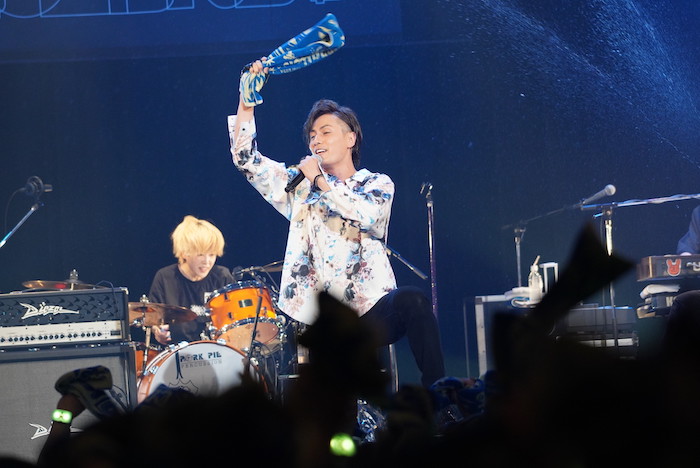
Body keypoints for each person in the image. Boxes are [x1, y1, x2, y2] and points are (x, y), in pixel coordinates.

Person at [227, 59, 445, 387]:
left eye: (326, 132)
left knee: (413, 300)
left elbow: (363, 215)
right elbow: (247, 160)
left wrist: (320, 182)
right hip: (321, 318)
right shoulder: (299, 187)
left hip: (371, 309)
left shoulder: (376, 184)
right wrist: (246, 103)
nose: (316, 140)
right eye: (312, 135)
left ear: (350, 138)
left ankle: (439, 394)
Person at [140, 215, 235, 345]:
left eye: (212, 255)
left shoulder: (222, 276)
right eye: (200, 255)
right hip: (178, 350)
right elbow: (153, 320)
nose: (207, 261)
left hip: (217, 349)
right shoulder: (165, 277)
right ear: (184, 253)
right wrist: (158, 331)